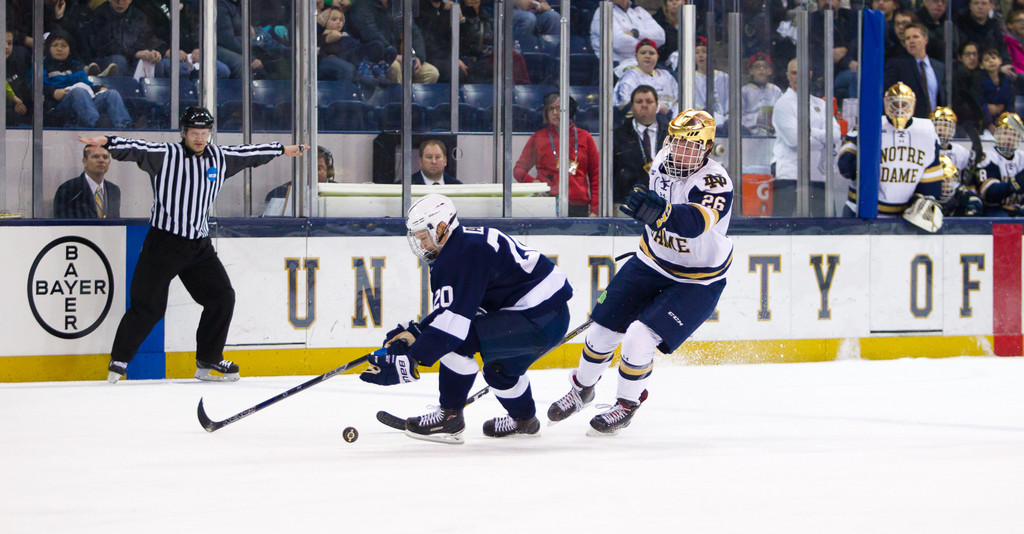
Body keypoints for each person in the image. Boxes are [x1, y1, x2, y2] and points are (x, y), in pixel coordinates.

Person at [83, 107, 308, 383]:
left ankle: (209, 358)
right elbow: (137, 148)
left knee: (222, 297)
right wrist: (108, 141)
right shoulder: (166, 155)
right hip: (163, 243)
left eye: (204, 133)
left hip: (198, 247)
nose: (200, 138)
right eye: (194, 133)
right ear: (184, 133)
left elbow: (249, 153)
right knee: (149, 307)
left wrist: (282, 149)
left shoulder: (219, 158)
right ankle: (120, 359)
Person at [547, 109, 732, 436]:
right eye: (676, 141)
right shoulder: (662, 160)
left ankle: (627, 404)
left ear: (706, 148)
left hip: (698, 280)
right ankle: (582, 389)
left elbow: (691, 225)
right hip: (651, 260)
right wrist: (653, 211)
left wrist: (661, 214)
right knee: (602, 327)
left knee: (638, 335)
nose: (679, 150)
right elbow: (655, 208)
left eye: (690, 146)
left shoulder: (715, 183)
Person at [359, 193, 573, 443]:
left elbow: (453, 328)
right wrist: (415, 333)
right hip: (545, 316)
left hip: (537, 317)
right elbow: (456, 309)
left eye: (424, 237)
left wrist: (412, 359)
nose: (422, 245)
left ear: (440, 227)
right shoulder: (462, 245)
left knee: (458, 343)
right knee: (498, 370)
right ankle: (524, 420)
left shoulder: (462, 254)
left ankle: (449, 418)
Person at [838, 82, 944, 217]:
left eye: (904, 104)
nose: (899, 109)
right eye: (895, 104)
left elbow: (931, 184)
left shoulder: (926, 131)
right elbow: (845, 167)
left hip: (906, 216)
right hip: (861, 211)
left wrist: (920, 204)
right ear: (886, 103)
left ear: (912, 104)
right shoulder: (868, 124)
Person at [770, 59, 842, 218]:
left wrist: (808, 131)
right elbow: (796, 141)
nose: (797, 77)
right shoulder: (783, 104)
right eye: (794, 73)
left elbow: (836, 135)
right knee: (781, 230)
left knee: (825, 229)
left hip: (818, 175)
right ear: (788, 75)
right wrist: (823, 139)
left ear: (809, 75)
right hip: (789, 176)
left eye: (801, 73)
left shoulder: (820, 104)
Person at [513, 93, 600, 217]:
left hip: (578, 206)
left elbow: (596, 176)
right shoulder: (538, 138)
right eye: (550, 109)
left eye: (559, 108)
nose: (554, 113)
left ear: (569, 111)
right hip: (545, 204)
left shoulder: (585, 137)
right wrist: (532, 183)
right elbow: (518, 170)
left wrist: (595, 210)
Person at [36, 32, 133, 129]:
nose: (59, 49)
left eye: (64, 46)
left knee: (112, 93)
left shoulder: (77, 65)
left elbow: (87, 86)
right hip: (59, 108)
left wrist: (98, 88)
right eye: (55, 45)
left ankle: (124, 126)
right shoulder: (42, 66)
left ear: (70, 49)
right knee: (78, 91)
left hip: (84, 104)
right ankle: (95, 126)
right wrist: (53, 92)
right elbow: (35, 88)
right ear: (48, 48)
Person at [612, 85, 667, 207]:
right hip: (628, 204)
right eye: (639, 102)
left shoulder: (670, 134)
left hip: (664, 203)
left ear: (657, 106)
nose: (644, 105)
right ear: (632, 106)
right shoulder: (618, 135)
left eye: (649, 101)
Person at [89, 0, 166, 77]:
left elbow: (148, 39)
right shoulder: (100, 14)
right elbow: (104, 45)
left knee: (156, 63)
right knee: (118, 61)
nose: (120, 2)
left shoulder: (138, 16)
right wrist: (134, 53)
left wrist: (153, 52)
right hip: (107, 58)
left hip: (132, 58)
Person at [883, 23, 945, 119]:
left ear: (925, 39)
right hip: (910, 125)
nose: (911, 41)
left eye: (915, 37)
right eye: (907, 38)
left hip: (934, 126)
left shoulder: (939, 67)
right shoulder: (896, 65)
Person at [930, 107, 984, 216]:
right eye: (937, 125)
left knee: (973, 204)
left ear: (953, 129)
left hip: (955, 198)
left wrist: (964, 194)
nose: (940, 130)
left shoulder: (961, 152)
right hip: (931, 196)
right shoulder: (924, 150)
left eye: (945, 126)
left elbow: (970, 181)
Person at [613, 39, 678, 117]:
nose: (647, 56)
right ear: (636, 56)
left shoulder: (667, 75)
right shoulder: (629, 77)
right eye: (643, 53)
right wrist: (657, 108)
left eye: (651, 53)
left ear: (657, 57)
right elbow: (624, 105)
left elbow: (678, 101)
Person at [590, 0, 666, 65]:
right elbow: (620, 43)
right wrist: (648, 45)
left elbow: (661, 37)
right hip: (617, 65)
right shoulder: (603, 11)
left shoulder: (639, 10)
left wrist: (636, 33)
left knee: (672, 77)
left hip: (645, 64)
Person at [53, 146, 121, 219]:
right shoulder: (67, 190)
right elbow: (62, 226)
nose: (101, 160)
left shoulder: (114, 190)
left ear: (109, 162)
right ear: (84, 161)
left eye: (105, 157)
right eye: (96, 156)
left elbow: (116, 224)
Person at [977, 112, 1024, 216]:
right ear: (996, 134)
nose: (1009, 138)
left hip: (1020, 208)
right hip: (995, 209)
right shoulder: (987, 157)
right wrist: (1015, 184)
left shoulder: (1022, 157)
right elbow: (990, 194)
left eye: (1013, 134)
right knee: (1001, 220)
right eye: (1005, 133)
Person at [266, 145, 336, 201]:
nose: (312, 174)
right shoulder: (278, 194)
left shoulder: (339, 191)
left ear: (329, 170)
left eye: (318, 168)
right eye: (307, 169)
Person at [972, 48, 1015, 133]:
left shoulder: (1007, 81)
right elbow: (979, 104)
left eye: (994, 58)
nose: (991, 61)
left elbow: (1010, 104)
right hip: (984, 126)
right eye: (987, 60)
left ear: (1000, 61)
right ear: (981, 65)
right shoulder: (978, 81)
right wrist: (989, 124)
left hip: (1003, 123)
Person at [740, 52, 782, 137]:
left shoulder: (776, 90)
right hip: (750, 135)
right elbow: (737, 118)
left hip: (773, 134)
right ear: (751, 71)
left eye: (765, 67)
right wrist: (756, 118)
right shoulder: (744, 91)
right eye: (757, 67)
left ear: (770, 71)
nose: (761, 70)